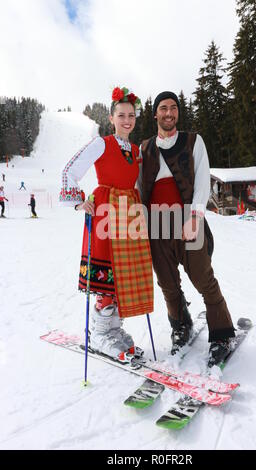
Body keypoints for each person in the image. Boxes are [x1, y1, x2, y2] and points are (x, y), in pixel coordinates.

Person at [139, 91, 235, 366]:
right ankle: (181, 325)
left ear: (177, 113)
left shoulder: (193, 141)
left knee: (204, 278)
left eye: (173, 108)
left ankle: (221, 335)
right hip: (156, 223)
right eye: (163, 108)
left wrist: (194, 217)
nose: (168, 113)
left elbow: (203, 178)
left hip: (186, 219)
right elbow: (138, 186)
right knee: (167, 283)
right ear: (155, 114)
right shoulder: (145, 147)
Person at [60, 87, 153, 360]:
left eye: (132, 115)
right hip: (106, 211)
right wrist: (77, 201)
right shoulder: (102, 143)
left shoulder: (136, 151)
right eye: (121, 115)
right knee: (106, 271)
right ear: (111, 118)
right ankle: (100, 333)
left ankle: (113, 329)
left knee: (123, 274)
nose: (127, 120)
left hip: (129, 213)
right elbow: (70, 169)